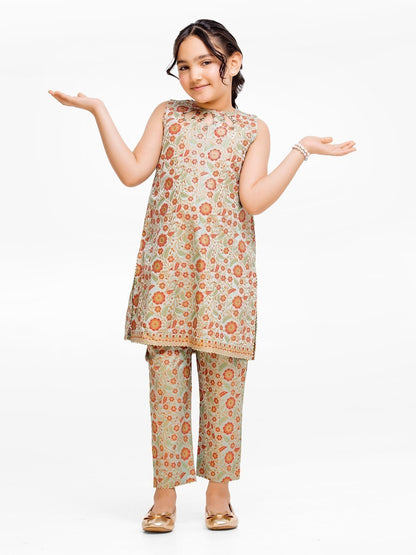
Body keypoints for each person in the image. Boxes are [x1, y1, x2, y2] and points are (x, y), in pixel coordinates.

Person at [48, 18, 356, 533]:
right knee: (165, 386)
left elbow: (253, 200)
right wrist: (99, 110)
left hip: (225, 281)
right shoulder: (168, 114)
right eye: (184, 66)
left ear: (233, 63)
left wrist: (300, 151)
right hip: (167, 275)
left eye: (206, 62)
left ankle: (219, 492)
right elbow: (131, 172)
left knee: (224, 387)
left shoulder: (252, 129)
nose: (194, 76)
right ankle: (164, 496)